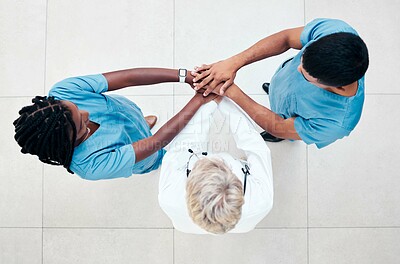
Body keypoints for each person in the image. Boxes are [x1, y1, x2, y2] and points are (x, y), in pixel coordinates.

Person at [192, 18, 369, 148]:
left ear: (337, 87)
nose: (297, 68)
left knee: (278, 126)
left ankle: (278, 128)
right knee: (278, 89)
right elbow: (286, 39)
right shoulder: (336, 31)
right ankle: (274, 92)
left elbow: (279, 126)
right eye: (302, 59)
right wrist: (235, 62)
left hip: (285, 119)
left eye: (306, 75)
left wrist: (231, 91)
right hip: (282, 84)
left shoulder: (335, 123)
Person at [13, 68, 217, 180]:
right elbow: (157, 141)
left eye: (76, 107)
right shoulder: (90, 165)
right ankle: (146, 141)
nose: (86, 112)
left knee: (138, 123)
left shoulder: (64, 91)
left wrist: (184, 76)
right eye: (81, 122)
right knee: (157, 152)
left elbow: (128, 78)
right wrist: (199, 100)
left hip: (128, 112)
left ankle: (142, 125)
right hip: (151, 154)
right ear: (68, 143)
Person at [158, 96, 273, 234]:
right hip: (244, 225)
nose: (217, 158)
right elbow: (254, 144)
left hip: (186, 226)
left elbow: (185, 142)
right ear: (237, 184)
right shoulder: (262, 200)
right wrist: (224, 97)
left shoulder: (168, 196)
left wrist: (209, 100)